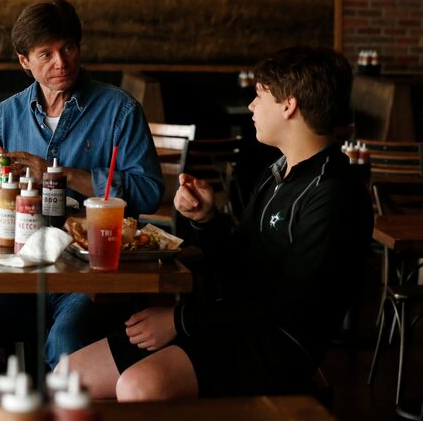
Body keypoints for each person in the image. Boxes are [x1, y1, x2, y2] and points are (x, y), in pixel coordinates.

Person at [66, 46, 374, 402]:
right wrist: (207, 219)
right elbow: (240, 263)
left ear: (289, 105)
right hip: (228, 322)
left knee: (138, 387)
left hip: (278, 346)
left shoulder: (335, 192)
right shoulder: (276, 173)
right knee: (71, 375)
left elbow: (290, 303)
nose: (251, 107)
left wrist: (180, 321)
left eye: (259, 96)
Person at [0, 0, 164, 400]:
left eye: (68, 48)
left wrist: (59, 174)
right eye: (46, 54)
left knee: (67, 347)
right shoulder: (6, 115)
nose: (61, 62)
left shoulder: (120, 110)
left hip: (90, 275)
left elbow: (149, 192)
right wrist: (1, 185)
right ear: (25, 62)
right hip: (17, 272)